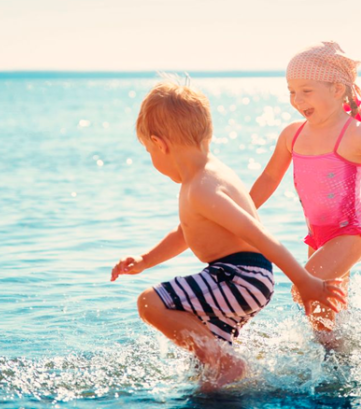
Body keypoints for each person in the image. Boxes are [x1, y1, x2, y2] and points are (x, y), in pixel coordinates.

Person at [111, 80, 347, 390]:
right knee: (206, 374)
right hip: (243, 278)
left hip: (239, 276)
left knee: (150, 304)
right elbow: (185, 233)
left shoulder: (203, 188)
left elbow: (259, 234)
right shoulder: (206, 175)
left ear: (160, 144)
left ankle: (227, 364)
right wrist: (145, 260)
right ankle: (223, 376)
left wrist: (305, 282)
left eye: (148, 151)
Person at [250, 41, 361, 333]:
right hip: (317, 236)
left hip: (350, 232)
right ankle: (338, 357)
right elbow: (269, 178)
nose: (297, 99)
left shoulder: (356, 135)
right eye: (291, 91)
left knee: (305, 288)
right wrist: (243, 211)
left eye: (306, 91)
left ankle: (345, 349)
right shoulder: (292, 134)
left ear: (337, 90)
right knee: (322, 317)